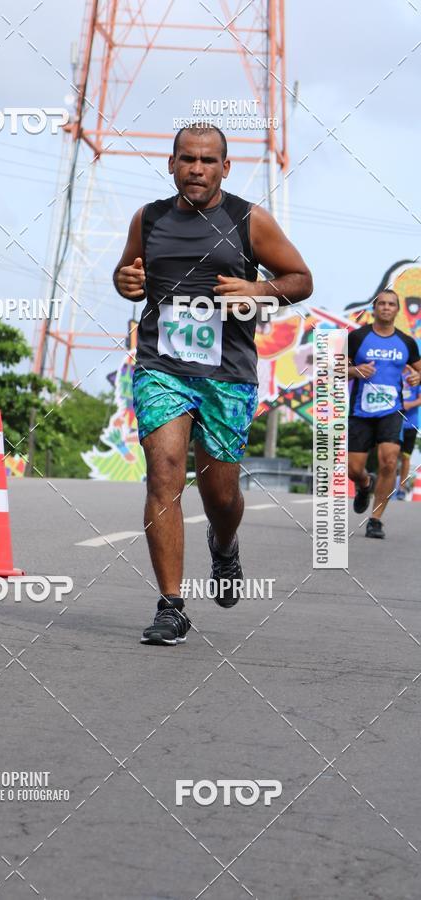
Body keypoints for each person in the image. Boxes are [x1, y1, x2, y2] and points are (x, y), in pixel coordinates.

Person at [112, 124, 313, 646]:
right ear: (171, 163)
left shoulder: (248, 220)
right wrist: (125, 282)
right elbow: (126, 274)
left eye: (207, 160)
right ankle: (171, 605)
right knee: (164, 474)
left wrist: (256, 289)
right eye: (186, 159)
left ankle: (224, 545)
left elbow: (301, 280)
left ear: (225, 167)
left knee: (219, 491)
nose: (196, 169)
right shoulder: (149, 218)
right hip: (162, 366)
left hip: (227, 376)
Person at [347, 290, 421, 537]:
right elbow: (334, 367)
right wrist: (355, 371)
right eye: (382, 304)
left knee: (390, 460)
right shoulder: (358, 337)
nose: (386, 308)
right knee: (353, 469)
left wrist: (417, 375)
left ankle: (376, 519)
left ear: (397, 310)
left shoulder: (406, 343)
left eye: (391, 304)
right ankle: (364, 483)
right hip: (360, 411)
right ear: (374, 308)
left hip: (392, 411)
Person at [396, 380, 421, 499]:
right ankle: (386, 487)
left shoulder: (416, 376)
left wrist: (408, 404)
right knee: (390, 455)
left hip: (411, 424)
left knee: (406, 457)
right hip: (394, 423)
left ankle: (401, 488)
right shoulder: (397, 373)